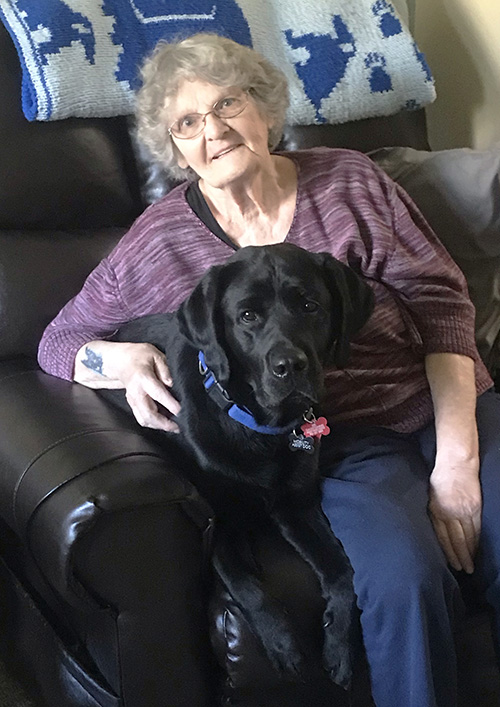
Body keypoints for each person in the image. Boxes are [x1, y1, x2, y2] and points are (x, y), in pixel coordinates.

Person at [37, 33, 500, 707]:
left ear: (266, 109)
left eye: (228, 103)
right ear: (173, 146)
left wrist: (457, 459)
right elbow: (59, 338)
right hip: (336, 438)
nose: (214, 130)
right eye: (188, 122)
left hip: (449, 399)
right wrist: (124, 362)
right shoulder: (160, 240)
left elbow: (443, 302)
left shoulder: (349, 180)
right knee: (402, 578)